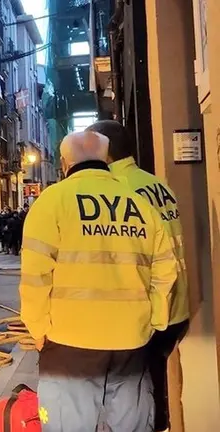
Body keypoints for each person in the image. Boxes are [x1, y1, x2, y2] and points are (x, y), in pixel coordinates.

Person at [20, 131, 178, 431]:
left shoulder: (52, 201)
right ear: (107, 160)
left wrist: (37, 327)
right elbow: (165, 270)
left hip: (69, 340)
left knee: (70, 423)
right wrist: (155, 320)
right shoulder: (141, 205)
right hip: (131, 337)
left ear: (65, 163)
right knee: (131, 419)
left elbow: (35, 276)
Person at [88, 120, 190, 432]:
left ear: (103, 153)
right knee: (155, 386)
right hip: (176, 308)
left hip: (144, 314)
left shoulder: (116, 192)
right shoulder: (156, 184)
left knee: (133, 398)